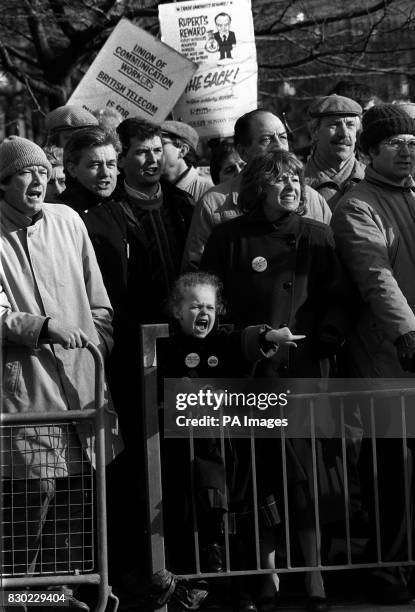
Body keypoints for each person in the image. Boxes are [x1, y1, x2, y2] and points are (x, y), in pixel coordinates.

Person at [200, 148, 349, 612]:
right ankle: (268, 577)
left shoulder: (317, 237)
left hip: (303, 376)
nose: (291, 188)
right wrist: (248, 340)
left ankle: (315, 576)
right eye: (280, 180)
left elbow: (339, 299)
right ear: (258, 187)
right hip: (249, 379)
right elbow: (212, 307)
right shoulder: (228, 238)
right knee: (258, 478)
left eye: (297, 179)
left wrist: (325, 339)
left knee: (307, 479)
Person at [0, 136, 122, 609]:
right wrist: (43, 327)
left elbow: (98, 297)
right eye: (26, 174)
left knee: (77, 503)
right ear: (5, 181)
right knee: (32, 503)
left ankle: (62, 595)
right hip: (26, 391)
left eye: (43, 173)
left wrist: (102, 339)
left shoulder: (68, 220)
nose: (37, 181)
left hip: (82, 387)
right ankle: (18, 599)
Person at [157, 271, 304, 611]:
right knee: (201, 527)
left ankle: (241, 590)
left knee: (238, 525)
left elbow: (247, 339)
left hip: (233, 454)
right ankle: (200, 588)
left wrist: (269, 335)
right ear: (177, 311)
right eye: (194, 307)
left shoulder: (222, 338)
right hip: (191, 458)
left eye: (209, 306)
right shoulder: (166, 346)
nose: (203, 313)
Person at [331, 103, 415, 605]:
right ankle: (390, 568)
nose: (406, 151)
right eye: (394, 144)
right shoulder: (357, 205)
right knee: (394, 473)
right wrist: (407, 333)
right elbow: (375, 275)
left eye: (412, 143)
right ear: (369, 152)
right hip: (389, 358)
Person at [182, 109, 332, 270]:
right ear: (243, 152)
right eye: (267, 139)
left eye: (282, 137)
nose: (279, 146)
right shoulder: (214, 203)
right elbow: (196, 271)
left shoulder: (313, 199)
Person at [116, 117, 194, 322]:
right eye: (142, 152)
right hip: (135, 325)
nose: (154, 159)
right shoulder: (109, 211)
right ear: (121, 159)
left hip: (185, 320)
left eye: (158, 150)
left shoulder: (183, 204)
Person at [305, 94, 365, 211]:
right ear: (314, 132)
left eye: (350, 125)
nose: (344, 133)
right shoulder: (297, 183)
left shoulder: (372, 180)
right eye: (334, 124)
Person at [161, 120, 213, 201]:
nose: (153, 150)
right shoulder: (150, 189)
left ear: (182, 150)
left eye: (161, 143)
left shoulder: (208, 191)